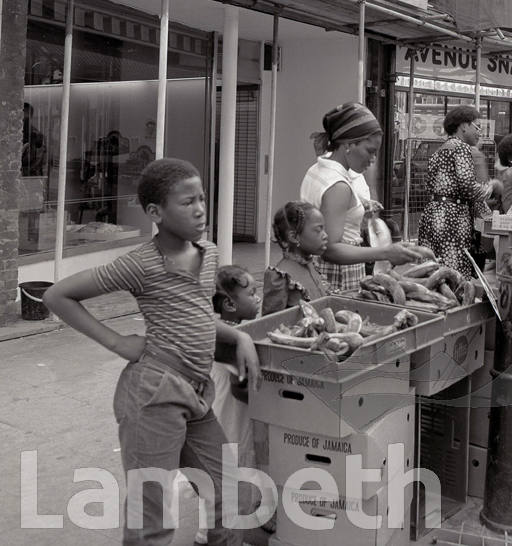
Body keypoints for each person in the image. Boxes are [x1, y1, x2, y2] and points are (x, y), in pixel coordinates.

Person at [43, 158, 259, 546]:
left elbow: (196, 315)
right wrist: (118, 343)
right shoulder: (140, 264)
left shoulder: (208, 253)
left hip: (196, 393)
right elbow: (57, 296)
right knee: (152, 520)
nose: (200, 210)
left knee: (230, 493)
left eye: (202, 199)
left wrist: (239, 337)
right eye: (187, 202)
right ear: (155, 212)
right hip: (153, 395)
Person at [301, 102, 430, 291]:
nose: (373, 159)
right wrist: (386, 252)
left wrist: (359, 203)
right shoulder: (338, 185)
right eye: (370, 151)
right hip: (338, 274)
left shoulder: (317, 169)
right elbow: (331, 249)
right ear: (348, 144)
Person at [196, 265, 266, 545]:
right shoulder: (233, 340)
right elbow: (241, 387)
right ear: (229, 304)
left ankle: (218, 530)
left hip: (224, 414)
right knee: (234, 471)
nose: (258, 298)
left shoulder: (230, 333)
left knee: (226, 472)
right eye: (252, 293)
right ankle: (215, 535)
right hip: (230, 415)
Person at [417, 105, 493, 277]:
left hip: (432, 216)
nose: (480, 133)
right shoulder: (462, 148)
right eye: (477, 127)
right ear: (464, 126)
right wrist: (490, 188)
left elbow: (431, 185)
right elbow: (468, 189)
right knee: (454, 276)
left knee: (431, 273)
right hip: (452, 220)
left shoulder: (440, 150)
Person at [263, 201, 330, 315]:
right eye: (318, 230)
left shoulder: (312, 266)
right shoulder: (281, 276)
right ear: (294, 237)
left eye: (324, 229)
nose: (325, 235)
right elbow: (271, 321)